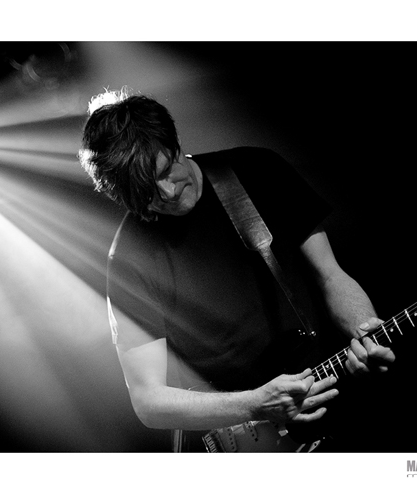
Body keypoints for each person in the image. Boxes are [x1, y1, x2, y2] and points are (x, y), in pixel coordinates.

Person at [78, 88, 395, 452]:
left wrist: (365, 329)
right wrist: (255, 404)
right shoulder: (129, 259)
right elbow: (148, 401)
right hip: (245, 441)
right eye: (146, 191)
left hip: (338, 401)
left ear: (176, 142)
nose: (166, 191)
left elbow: (330, 275)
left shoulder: (258, 172)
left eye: (167, 170)